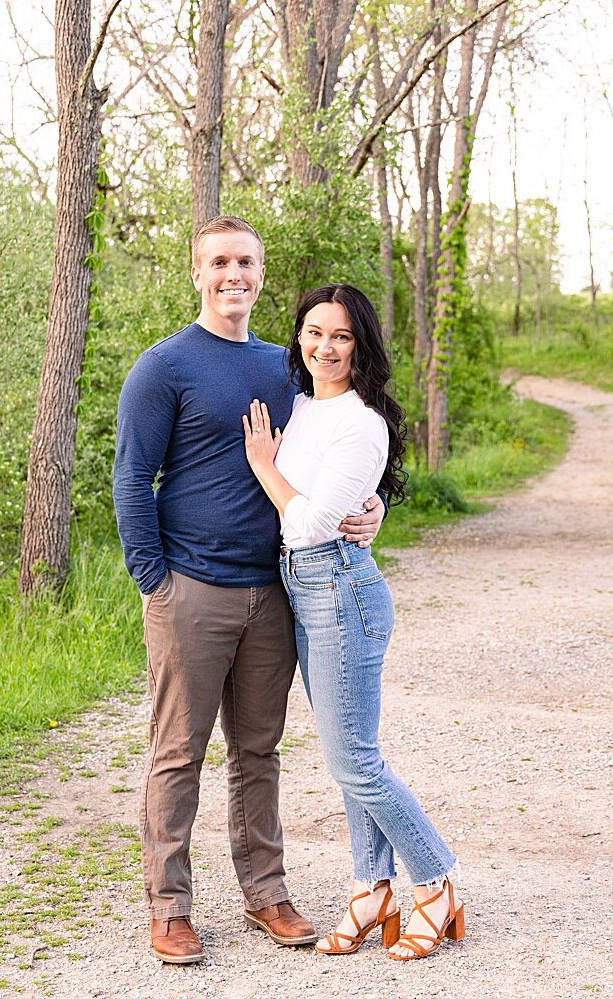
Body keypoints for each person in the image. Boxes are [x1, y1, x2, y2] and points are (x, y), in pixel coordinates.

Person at [112, 215, 385, 965]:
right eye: (221, 262)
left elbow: (336, 452)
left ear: (262, 277)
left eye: (247, 264)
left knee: (259, 752)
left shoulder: (286, 370)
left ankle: (267, 894)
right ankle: (169, 909)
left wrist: (374, 507)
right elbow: (132, 477)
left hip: (275, 591)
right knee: (179, 752)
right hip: (189, 590)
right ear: (197, 272)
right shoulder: (163, 366)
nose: (235, 275)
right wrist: (154, 580)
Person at [242, 283, 463, 961]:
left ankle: (436, 882)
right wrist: (365, 507)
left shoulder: (361, 420)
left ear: (360, 344)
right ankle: (373, 889)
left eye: (340, 336)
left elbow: (309, 523)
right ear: (299, 337)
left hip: (339, 587)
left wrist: (262, 465)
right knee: (349, 758)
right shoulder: (304, 406)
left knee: (355, 760)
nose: (325, 346)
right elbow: (334, 499)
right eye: (314, 332)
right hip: (305, 588)